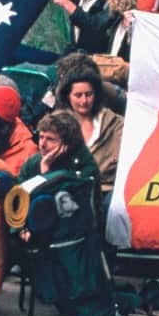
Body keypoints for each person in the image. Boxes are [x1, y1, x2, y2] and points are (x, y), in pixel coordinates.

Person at [54, 65, 123, 216]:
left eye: (88, 94)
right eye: (78, 95)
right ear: (68, 96)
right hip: (68, 190)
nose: (84, 101)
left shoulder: (115, 123)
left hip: (105, 192)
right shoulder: (57, 124)